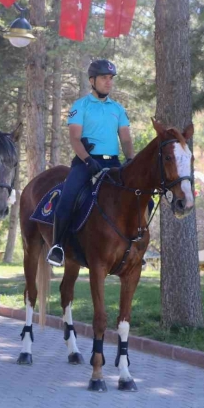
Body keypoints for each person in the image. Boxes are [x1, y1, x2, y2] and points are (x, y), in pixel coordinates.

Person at [46, 59, 134, 267]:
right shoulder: (80, 106)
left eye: (111, 78)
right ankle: (57, 246)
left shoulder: (118, 109)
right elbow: (75, 138)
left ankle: (134, 245)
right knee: (66, 199)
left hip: (113, 163)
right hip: (86, 162)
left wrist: (130, 160)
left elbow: (127, 139)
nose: (108, 82)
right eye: (104, 78)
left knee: (139, 197)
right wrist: (87, 160)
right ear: (92, 80)